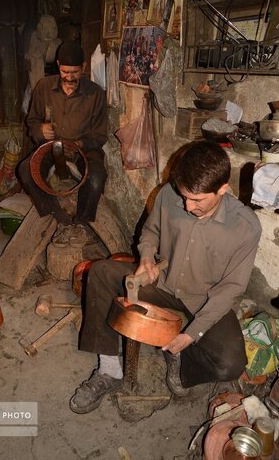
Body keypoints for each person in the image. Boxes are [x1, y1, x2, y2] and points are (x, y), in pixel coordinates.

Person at [69, 141, 262, 414]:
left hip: (202, 299)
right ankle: (109, 370)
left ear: (223, 189)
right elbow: (150, 231)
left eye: (197, 200)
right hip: (161, 282)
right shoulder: (168, 195)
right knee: (100, 272)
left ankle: (181, 361)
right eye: (184, 196)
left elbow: (231, 288)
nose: (186, 205)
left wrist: (191, 334)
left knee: (231, 363)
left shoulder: (245, 227)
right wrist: (147, 257)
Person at [17, 41, 107, 244]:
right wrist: (40, 130)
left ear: (83, 67)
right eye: (65, 71)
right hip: (51, 148)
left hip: (82, 148)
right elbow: (31, 122)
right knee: (25, 170)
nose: (69, 77)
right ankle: (57, 215)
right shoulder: (44, 87)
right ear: (58, 65)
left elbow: (100, 135)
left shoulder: (95, 93)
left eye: (75, 72)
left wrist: (80, 144)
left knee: (97, 177)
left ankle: (82, 223)